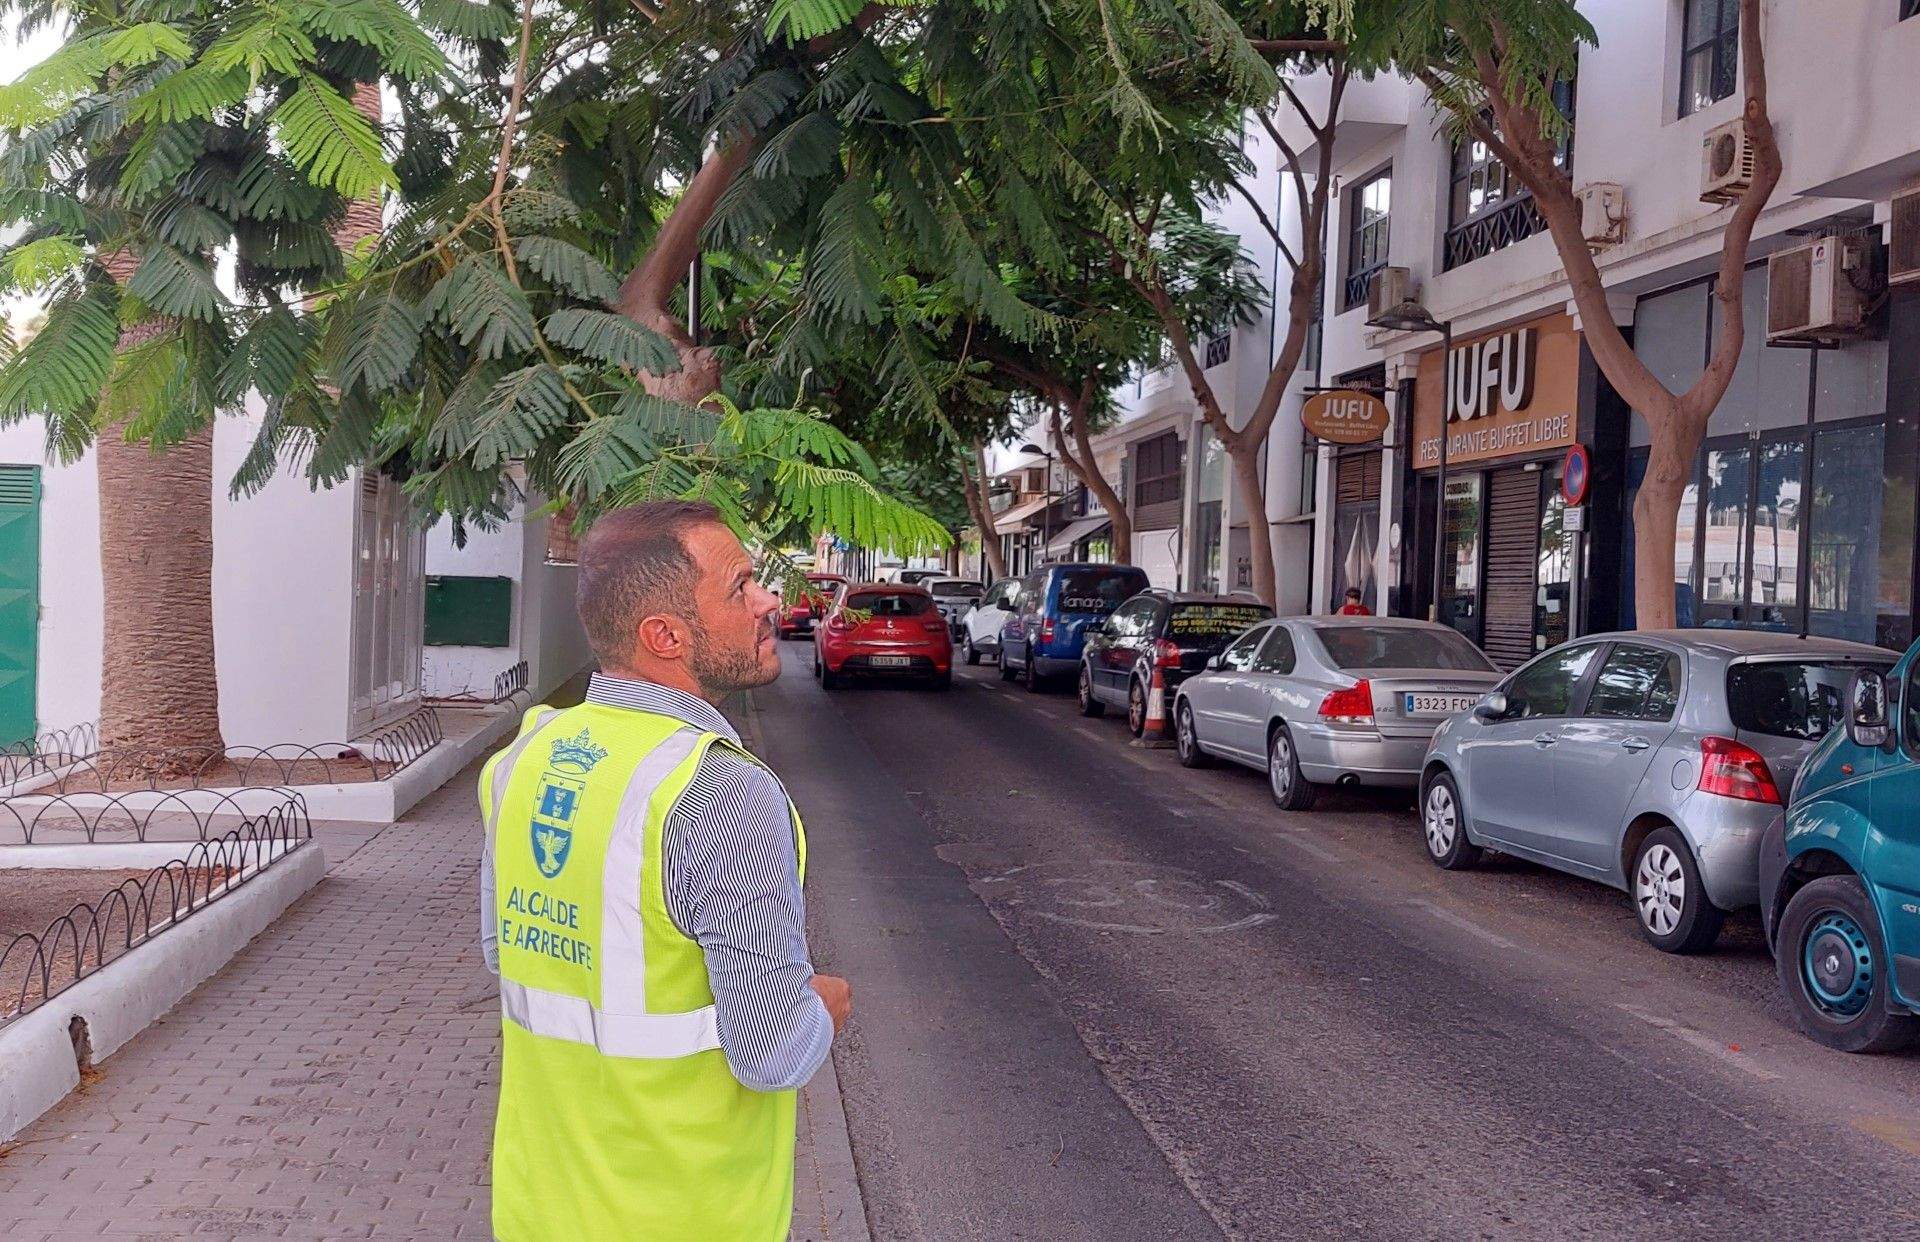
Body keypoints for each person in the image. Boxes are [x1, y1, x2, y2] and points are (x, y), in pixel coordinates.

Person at [478, 499, 852, 1241]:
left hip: (537, 1208)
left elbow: (507, 953)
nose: (769, 600)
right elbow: (770, 1050)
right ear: (666, 635)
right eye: (741, 586)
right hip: (685, 1216)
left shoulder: (529, 755)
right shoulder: (722, 793)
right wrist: (823, 1008)